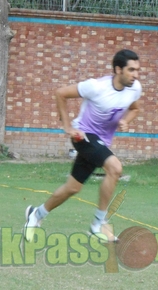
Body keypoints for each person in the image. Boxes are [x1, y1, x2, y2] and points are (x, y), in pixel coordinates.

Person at [24, 49, 142, 242]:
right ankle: (98, 225)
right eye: (131, 70)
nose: (135, 75)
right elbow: (61, 93)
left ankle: (36, 214)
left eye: (138, 70)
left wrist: (126, 120)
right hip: (83, 135)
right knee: (115, 168)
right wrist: (67, 126)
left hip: (100, 142)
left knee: (72, 188)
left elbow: (135, 109)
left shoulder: (135, 88)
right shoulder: (95, 87)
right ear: (118, 69)